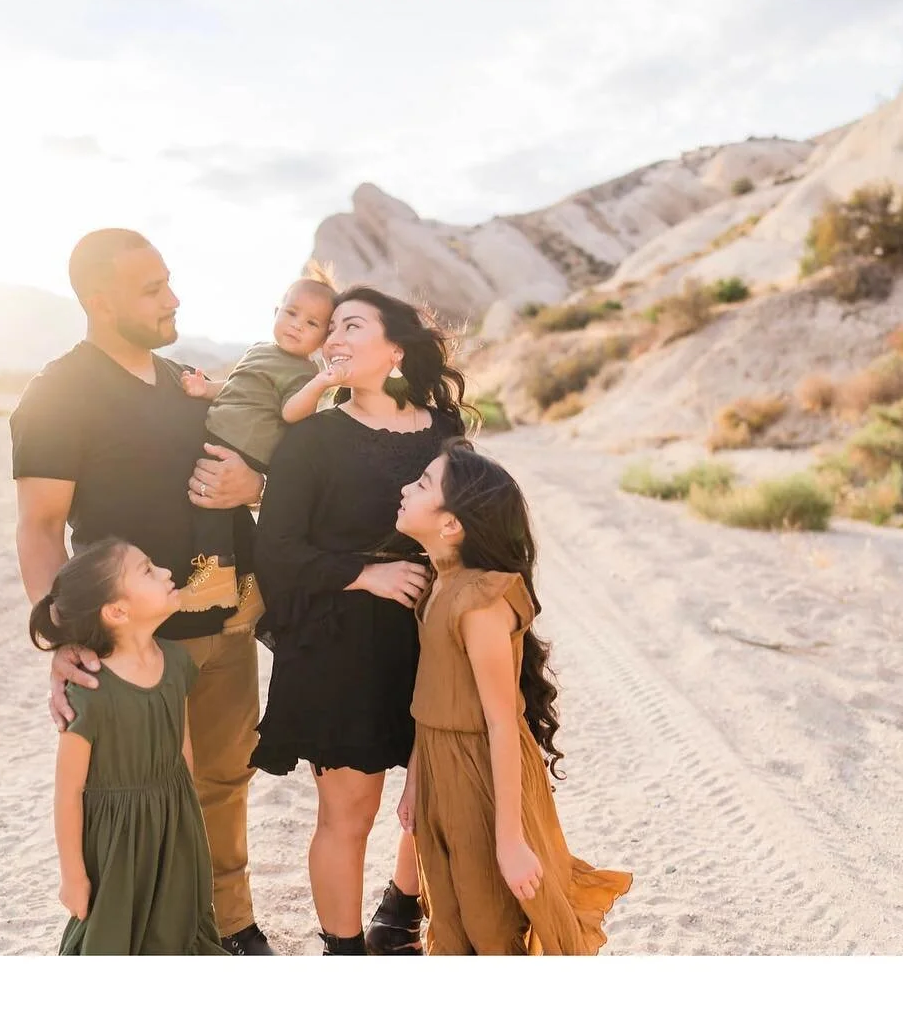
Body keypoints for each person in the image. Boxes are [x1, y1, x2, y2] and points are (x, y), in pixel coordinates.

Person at [11, 227, 275, 956]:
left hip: (227, 620)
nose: (173, 298)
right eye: (152, 289)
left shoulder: (187, 382)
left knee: (225, 778)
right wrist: (63, 640)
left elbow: (255, 471)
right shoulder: (59, 394)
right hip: (142, 641)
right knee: (149, 797)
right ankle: (152, 937)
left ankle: (229, 923)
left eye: (168, 281)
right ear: (99, 301)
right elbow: (39, 527)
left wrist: (253, 487)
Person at [251, 286, 468, 954]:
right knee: (350, 810)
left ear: (396, 348)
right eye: (330, 329)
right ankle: (345, 952)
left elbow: (474, 520)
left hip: (432, 634)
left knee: (434, 792)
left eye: (352, 326)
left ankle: (401, 905)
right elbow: (275, 550)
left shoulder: (442, 429)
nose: (334, 339)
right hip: (339, 637)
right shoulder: (310, 439)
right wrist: (366, 574)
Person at [394, 439, 632, 954]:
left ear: (451, 524)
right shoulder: (441, 584)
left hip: (482, 772)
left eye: (422, 485)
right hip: (438, 766)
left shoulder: (480, 601)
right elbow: (430, 700)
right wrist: (416, 781)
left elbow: (501, 723)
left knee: (490, 921)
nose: (405, 489)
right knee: (449, 910)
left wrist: (510, 841)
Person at [34, 537, 228, 956]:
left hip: (174, 822)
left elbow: (183, 747)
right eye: (147, 570)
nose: (166, 572)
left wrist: (188, 819)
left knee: (175, 924)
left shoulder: (176, 662)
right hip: (116, 842)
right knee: (112, 933)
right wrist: (73, 876)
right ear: (117, 611)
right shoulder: (90, 692)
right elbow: (68, 792)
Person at [177, 274, 341, 623]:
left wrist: (318, 385)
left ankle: (215, 576)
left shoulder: (303, 371)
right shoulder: (259, 350)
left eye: (311, 323)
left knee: (209, 503)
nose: (297, 326)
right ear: (276, 310)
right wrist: (203, 389)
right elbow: (236, 387)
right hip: (227, 434)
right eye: (292, 313)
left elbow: (292, 412)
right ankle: (251, 588)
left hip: (246, 443)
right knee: (231, 513)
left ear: (324, 337)